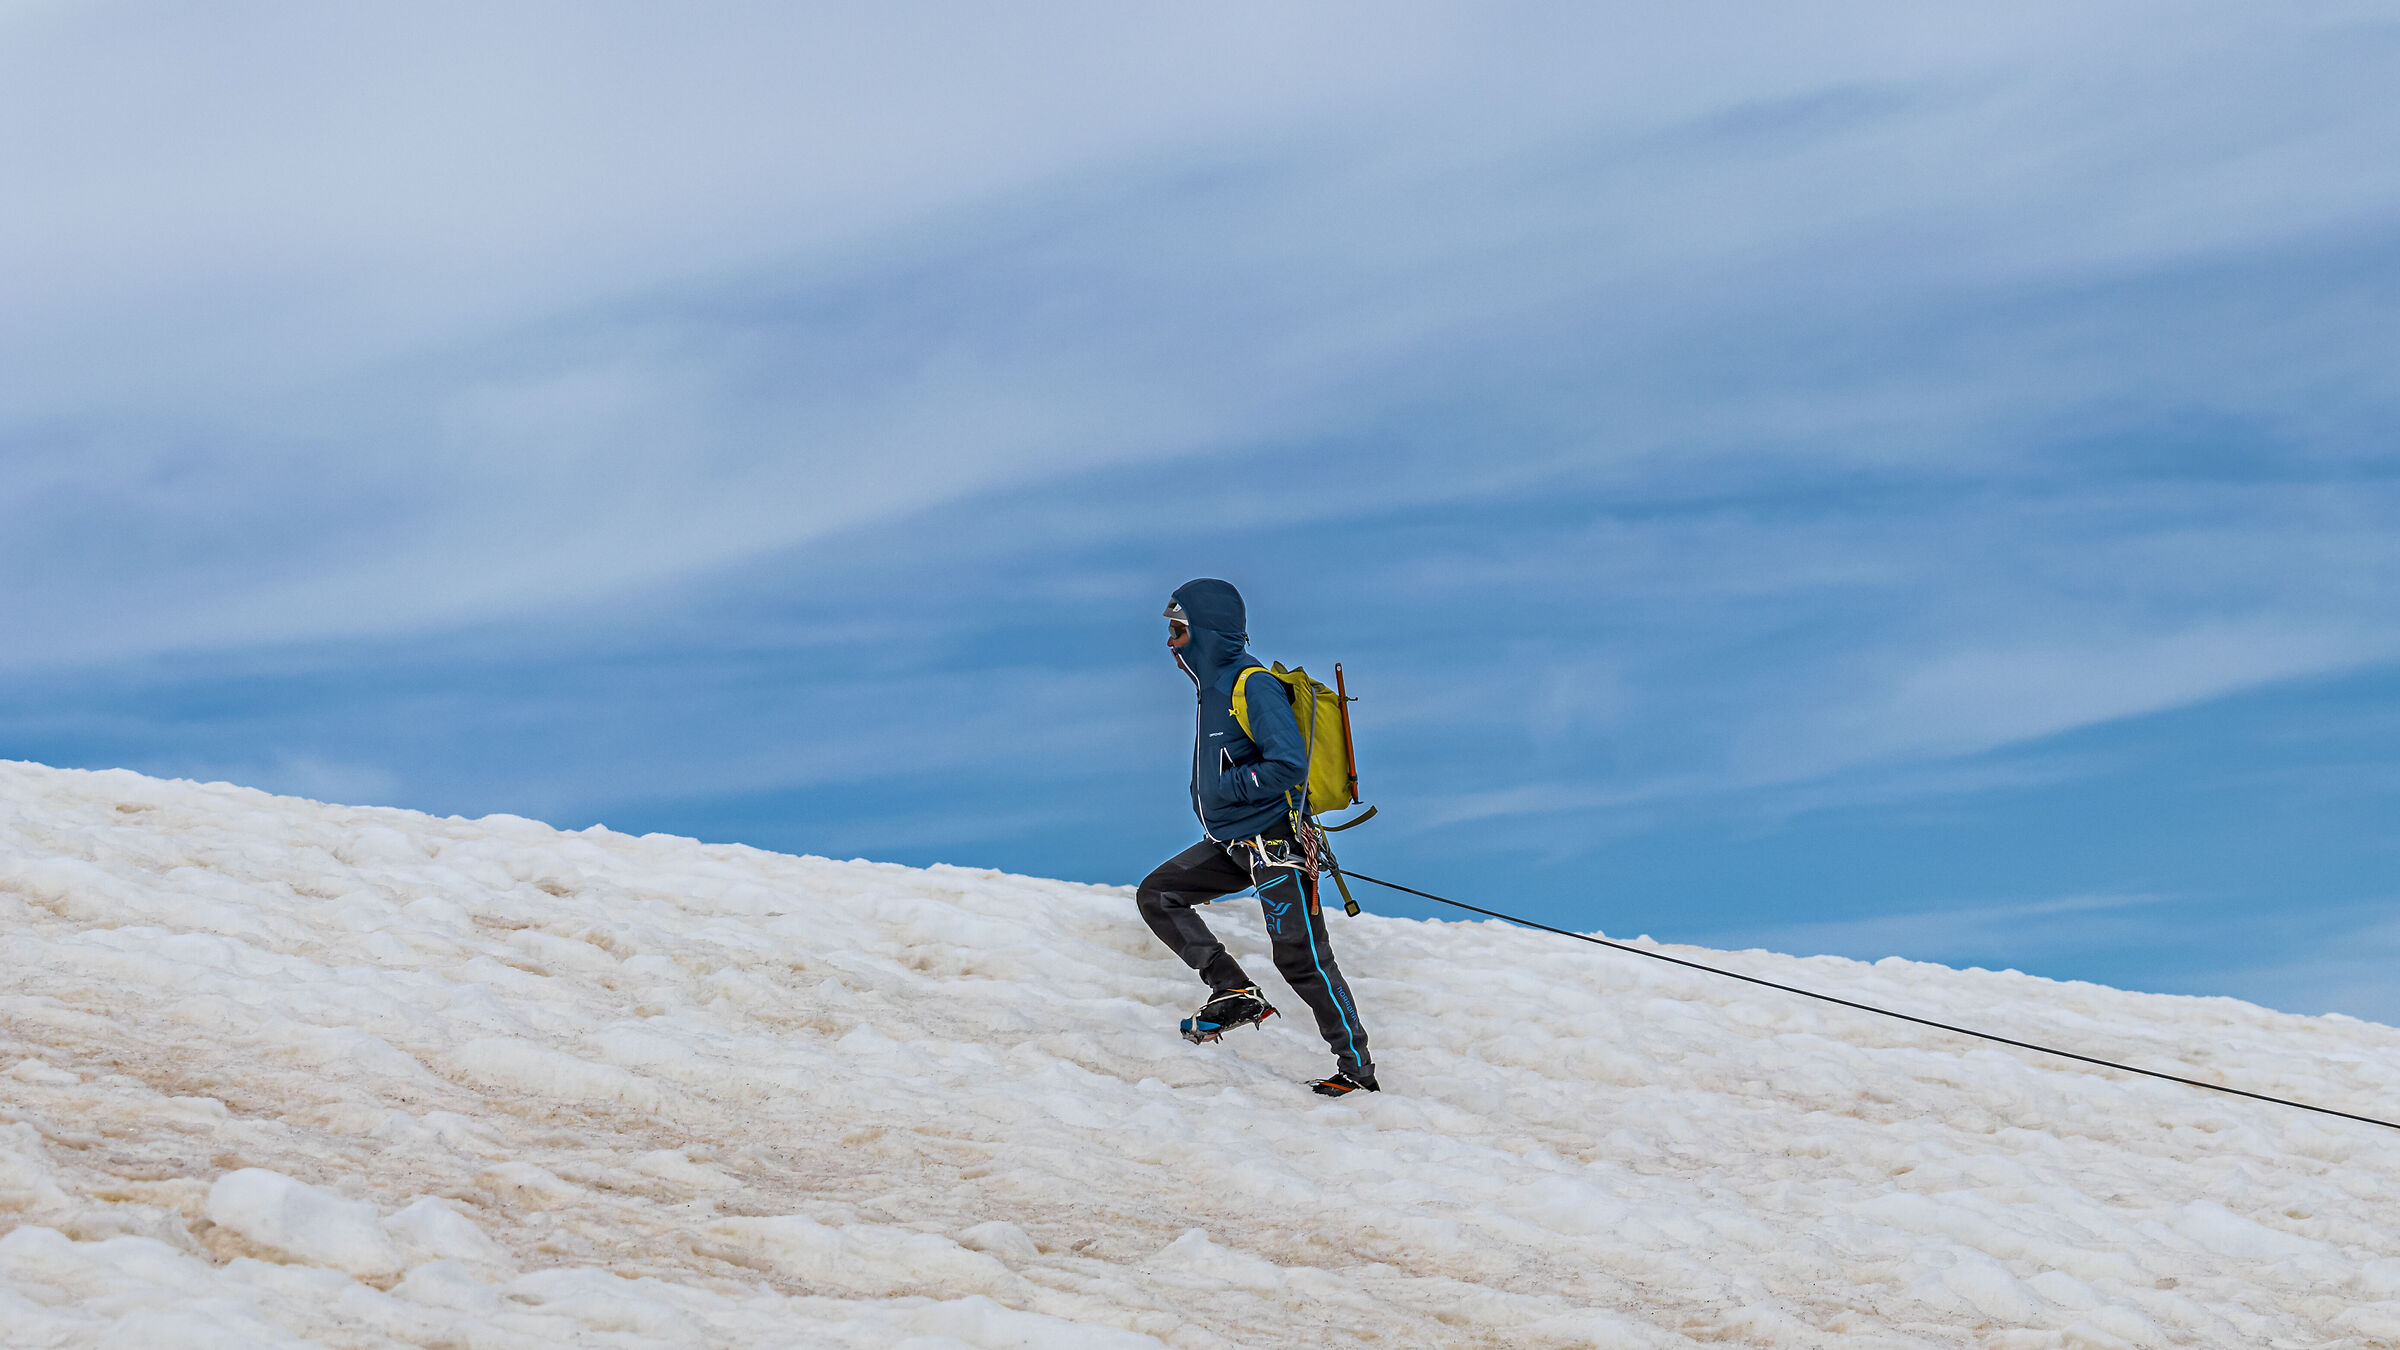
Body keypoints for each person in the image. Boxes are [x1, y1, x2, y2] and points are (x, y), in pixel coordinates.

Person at [1136, 578, 1378, 1097]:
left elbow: (1288, 763)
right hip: (1234, 844)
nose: (1171, 641)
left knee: (1302, 959)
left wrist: (1229, 785)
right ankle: (1233, 989)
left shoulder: (1251, 684)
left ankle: (1358, 1074)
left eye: (1179, 630)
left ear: (1206, 631)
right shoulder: (1212, 690)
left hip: (1278, 845)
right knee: (1159, 894)